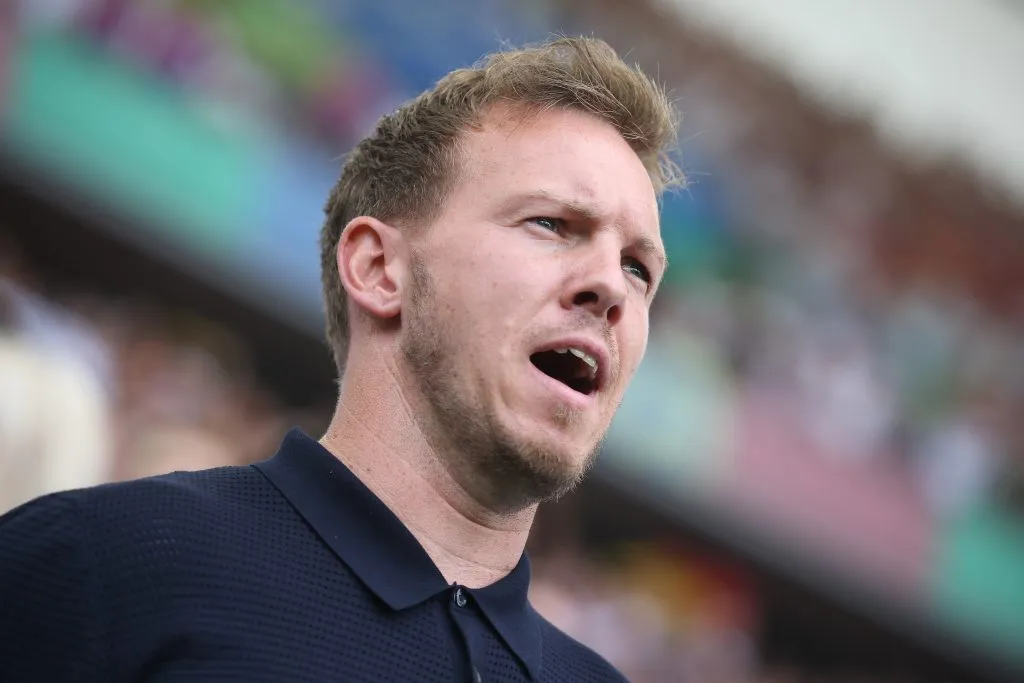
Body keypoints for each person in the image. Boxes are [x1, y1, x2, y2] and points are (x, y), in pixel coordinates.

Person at [0, 36, 681, 682]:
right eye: (553, 224)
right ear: (379, 268)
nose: (612, 288)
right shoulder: (99, 563)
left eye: (638, 268)